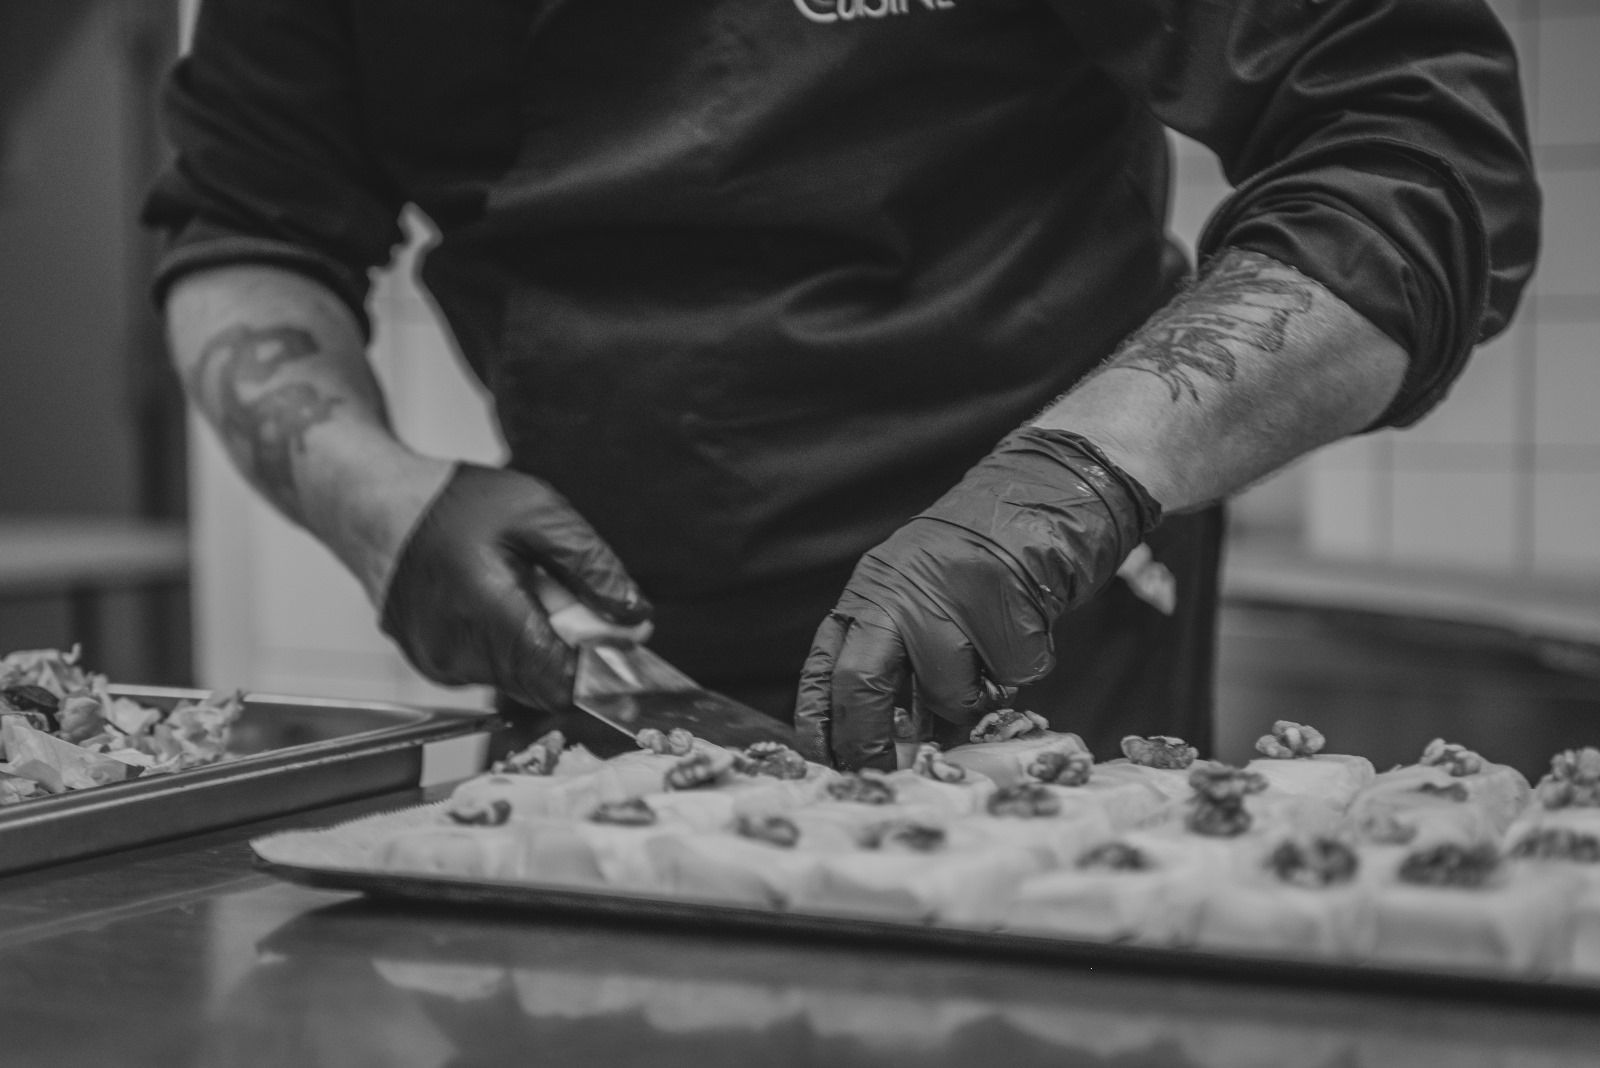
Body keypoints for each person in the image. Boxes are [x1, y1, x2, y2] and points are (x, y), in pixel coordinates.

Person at [144, 0, 1538, 770]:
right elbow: (248, 230)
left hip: (1048, 635)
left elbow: (1411, 148)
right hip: (601, 658)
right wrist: (378, 505)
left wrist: (1076, 482)